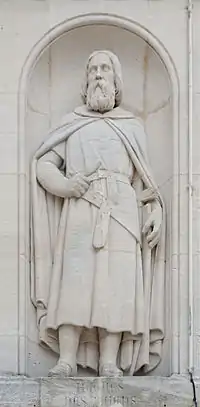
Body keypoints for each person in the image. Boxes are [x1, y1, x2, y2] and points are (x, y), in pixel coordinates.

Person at [31, 50, 165, 377]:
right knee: (74, 282)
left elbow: (145, 183)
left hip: (122, 213)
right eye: (93, 69)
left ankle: (109, 361)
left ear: (116, 80)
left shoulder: (132, 127)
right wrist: (65, 186)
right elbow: (44, 165)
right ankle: (66, 359)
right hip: (80, 208)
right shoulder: (72, 124)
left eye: (105, 69)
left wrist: (156, 210)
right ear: (86, 79)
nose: (98, 75)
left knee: (117, 287)